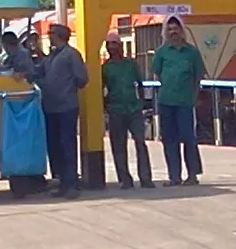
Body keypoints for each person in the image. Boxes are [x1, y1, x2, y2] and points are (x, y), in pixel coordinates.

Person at [149, 15, 206, 186]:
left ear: (182, 31)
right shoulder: (161, 52)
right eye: (170, 29)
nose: (173, 32)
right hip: (166, 101)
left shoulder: (192, 52)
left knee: (188, 138)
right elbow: (157, 73)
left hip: (185, 103)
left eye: (176, 29)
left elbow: (198, 77)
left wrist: (192, 96)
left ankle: (192, 175)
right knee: (169, 139)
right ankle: (174, 176)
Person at [36, 20, 88, 198]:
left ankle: (72, 183)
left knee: (68, 145)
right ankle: (61, 181)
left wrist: (66, 86)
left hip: (66, 107)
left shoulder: (71, 55)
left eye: (50, 34)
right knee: (55, 146)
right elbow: (37, 72)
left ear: (58, 36)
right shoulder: (50, 57)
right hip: (50, 107)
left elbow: (82, 78)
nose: (48, 37)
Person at [99, 32, 154, 189]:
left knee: (140, 142)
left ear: (120, 46)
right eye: (108, 44)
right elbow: (101, 89)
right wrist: (106, 108)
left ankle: (145, 178)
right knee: (118, 145)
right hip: (116, 110)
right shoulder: (105, 68)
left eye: (114, 44)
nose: (111, 47)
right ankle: (124, 179)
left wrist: (141, 103)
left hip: (133, 108)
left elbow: (140, 84)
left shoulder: (131, 64)